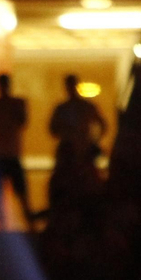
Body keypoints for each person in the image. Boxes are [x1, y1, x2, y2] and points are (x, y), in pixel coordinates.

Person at [48, 74, 107, 209]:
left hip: (83, 150)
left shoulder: (85, 107)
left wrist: (93, 141)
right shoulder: (62, 108)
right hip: (69, 150)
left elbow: (102, 125)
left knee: (88, 181)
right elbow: (53, 129)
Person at [0, 73, 32, 230]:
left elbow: (22, 121)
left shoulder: (12, 104)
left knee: (17, 193)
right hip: (3, 153)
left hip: (7, 153)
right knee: (3, 194)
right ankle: (4, 226)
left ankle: (14, 226)